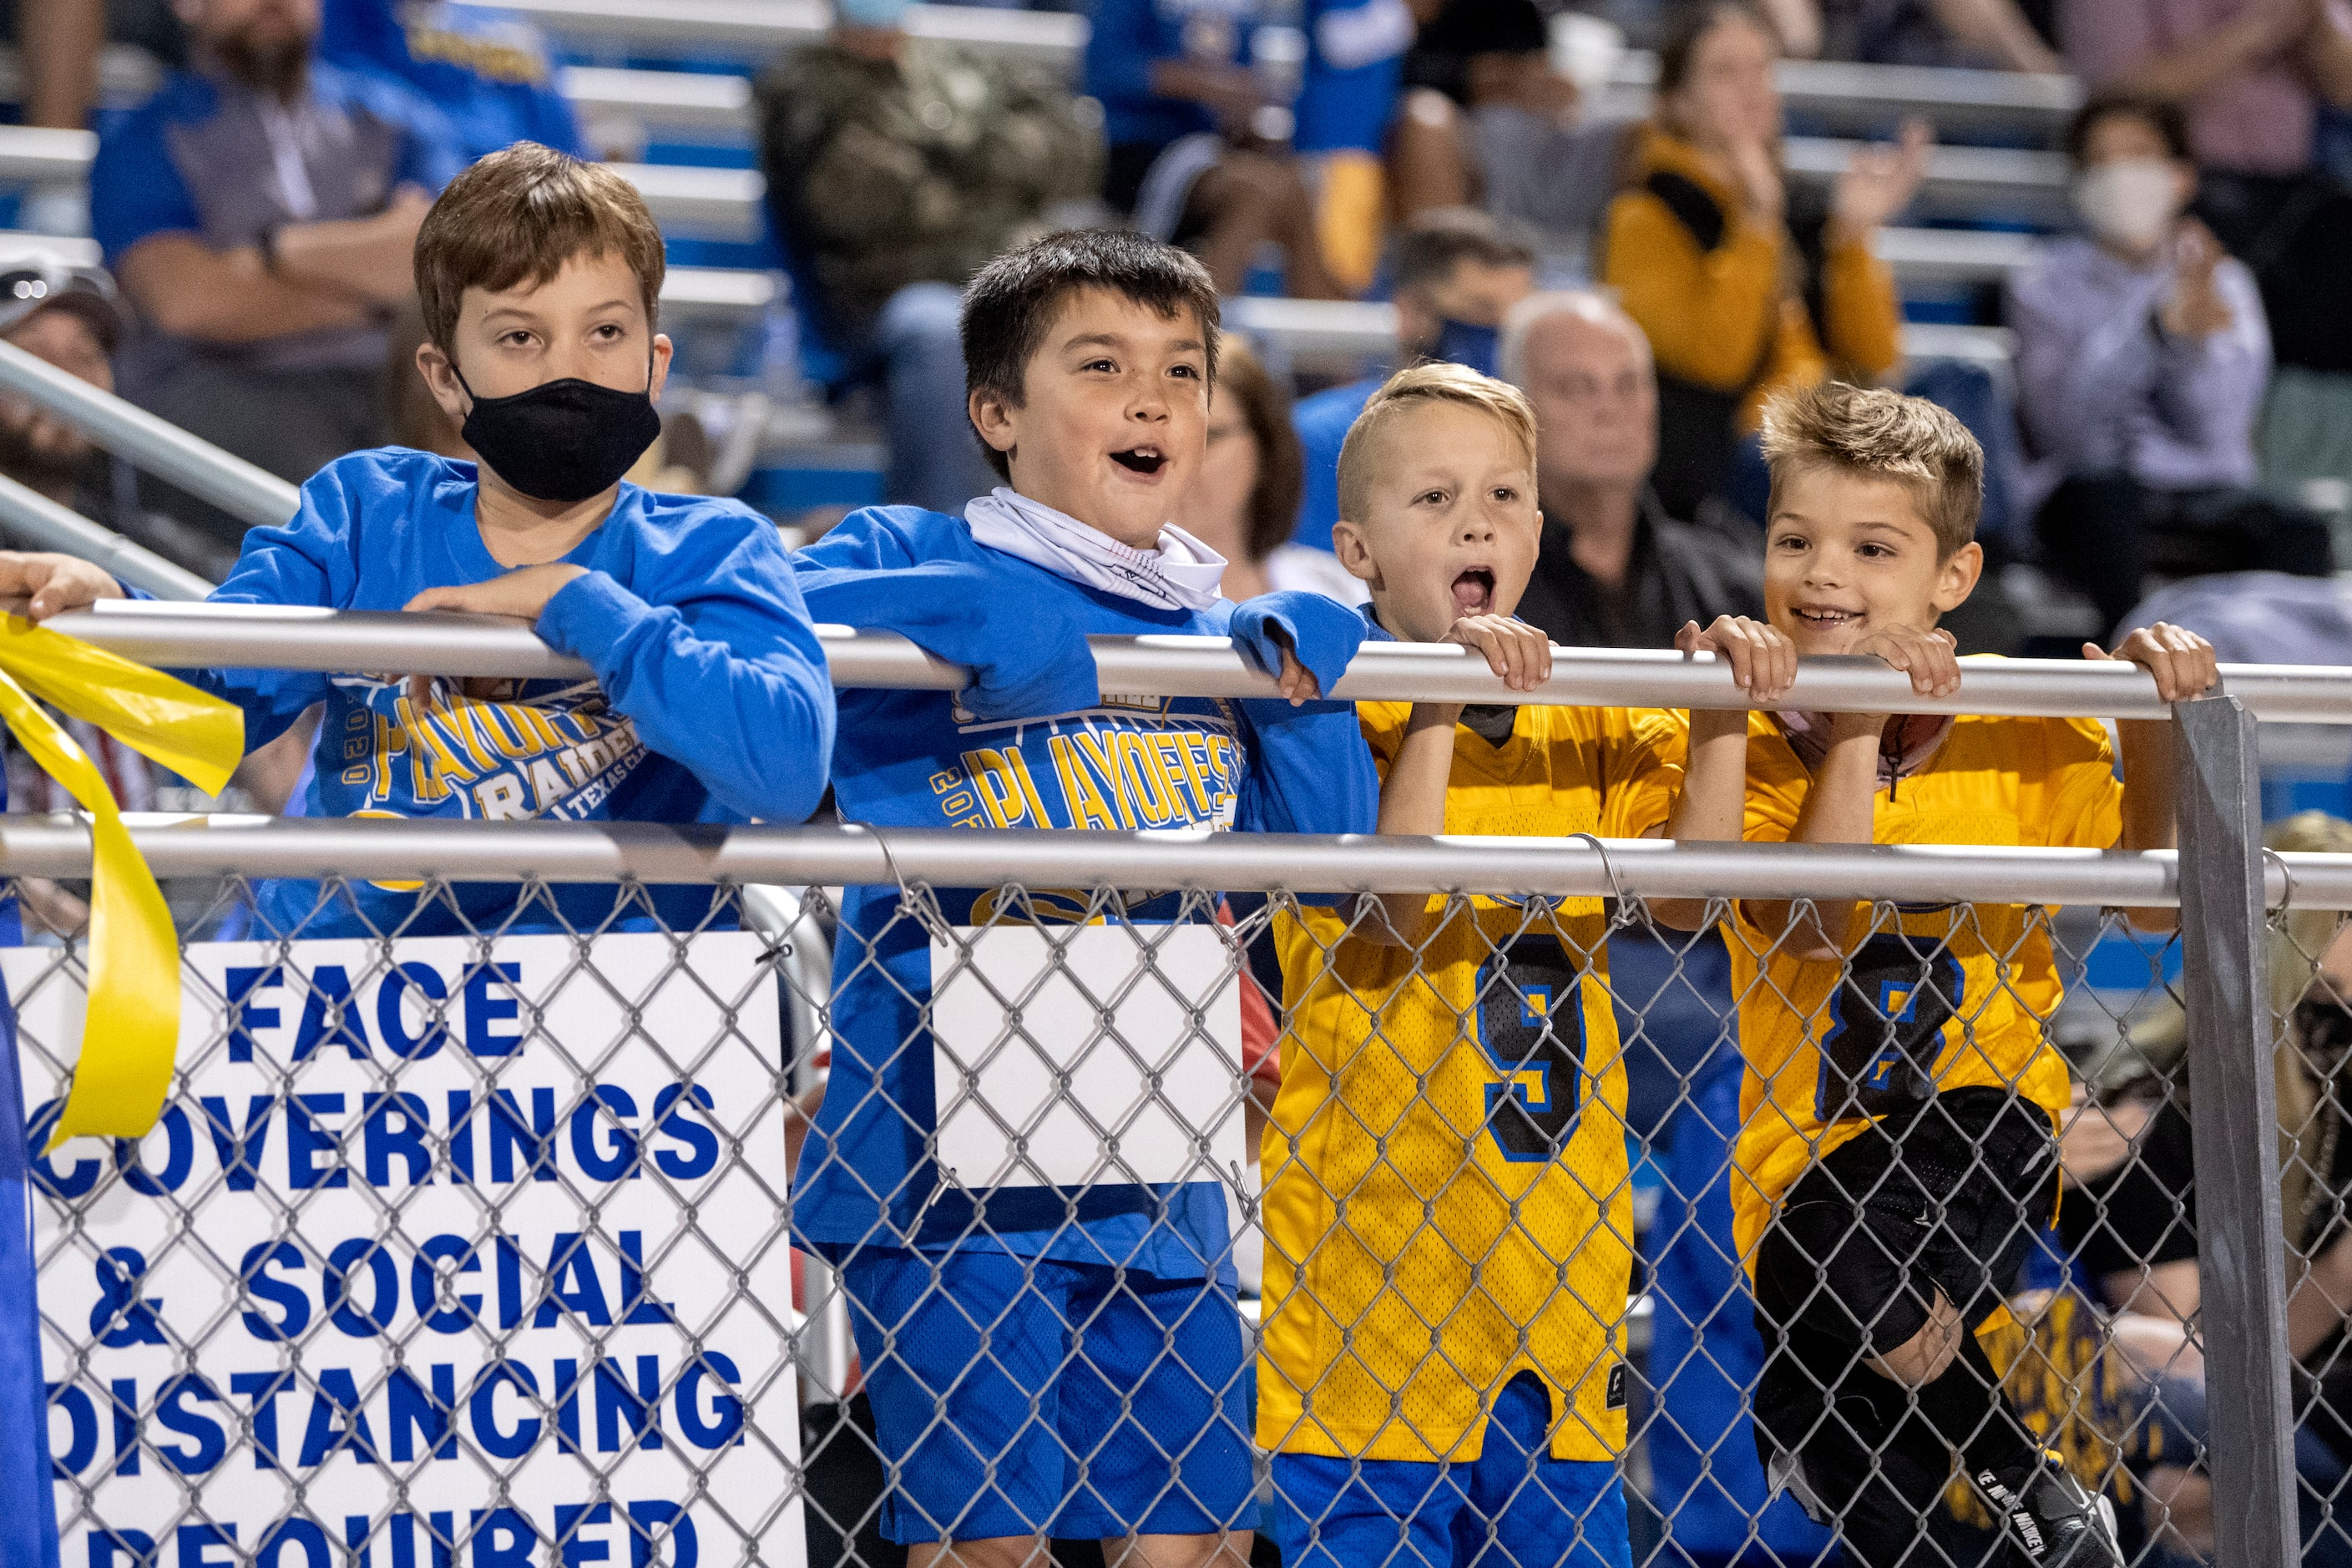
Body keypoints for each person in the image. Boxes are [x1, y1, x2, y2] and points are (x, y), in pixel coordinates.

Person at [788, 229, 1379, 1568]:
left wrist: (1301, 696)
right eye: (1102, 366)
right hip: (945, 1162)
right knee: (986, 1548)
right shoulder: (914, 544)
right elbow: (772, 609)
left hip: (1156, 1150)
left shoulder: (1209, 626)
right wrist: (964, 611)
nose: (1153, 398)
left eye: (1183, 370)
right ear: (995, 412)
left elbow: (1335, 867)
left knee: (1203, 1542)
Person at [0, 144, 837, 941]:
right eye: (520, 338)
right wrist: (108, 612)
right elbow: (219, 697)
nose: (567, 371)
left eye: (604, 333)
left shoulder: (716, 547)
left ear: (656, 365)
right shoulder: (366, 511)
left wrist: (576, 604)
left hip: (621, 1014)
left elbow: (787, 770)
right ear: (445, 379)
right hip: (350, 990)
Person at [1661, 380, 2218, 1565]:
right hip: (1802, 1179)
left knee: (1917, 1184)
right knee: (1868, 1480)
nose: (1824, 577)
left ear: (1951, 581)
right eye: (1794, 540)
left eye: (1873, 548)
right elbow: (1812, 924)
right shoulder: (1745, 743)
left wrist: (2151, 713)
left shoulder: (2023, 728)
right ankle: (2000, 1470)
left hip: (1985, 1147)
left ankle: (1984, 1440)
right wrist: (1856, 723)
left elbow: (2141, 888)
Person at [1259, 360, 1692, 1568]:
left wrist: (1719, 711)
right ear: (1354, 545)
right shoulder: (1321, 704)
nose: (1474, 521)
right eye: (1435, 497)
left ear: (1540, 531)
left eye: (1505, 496)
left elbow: (1696, 891)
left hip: (1555, 1276)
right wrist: (1441, 698)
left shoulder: (1593, 711)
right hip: (1371, 1285)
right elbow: (1390, 906)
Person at [89, 0, 467, 514]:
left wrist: (276, 253)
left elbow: (453, 260)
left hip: (396, 382)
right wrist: (379, 281)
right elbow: (191, 304)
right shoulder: (141, 138)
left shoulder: (395, 116)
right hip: (233, 393)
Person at [756, 0, 1101, 516]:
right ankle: (934, 540)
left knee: (1102, 313)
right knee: (937, 326)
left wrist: (948, 165)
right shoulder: (801, 88)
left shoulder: (960, 65)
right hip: (878, 309)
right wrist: (985, 169)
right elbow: (855, 207)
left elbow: (1076, 157)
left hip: (1006, 285)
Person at [2009, 92, 2328, 636]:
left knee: (2297, 529)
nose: (2117, 175)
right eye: (2098, 162)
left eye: (2136, 156)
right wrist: (2152, 330)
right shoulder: (2044, 281)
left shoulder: (2224, 281)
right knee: (2100, 501)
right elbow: (2070, 433)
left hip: (2204, 493)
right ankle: (2131, 666)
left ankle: (2290, 686)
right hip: (2090, 497)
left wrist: (2190, 349)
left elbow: (2220, 432)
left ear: (2180, 177)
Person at [1602, 0, 1926, 522]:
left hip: (1827, 424)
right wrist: (1753, 223)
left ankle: (1988, 582)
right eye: (1725, 72)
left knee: (1961, 390)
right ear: (1677, 102)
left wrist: (1851, 237)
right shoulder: (1643, 217)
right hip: (1735, 453)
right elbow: (1713, 364)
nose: (1752, 88)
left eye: (1761, 70)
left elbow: (1876, 358)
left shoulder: (1796, 205)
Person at [1501, 291, 1765, 647]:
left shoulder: (1733, 585)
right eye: (1577, 388)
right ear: (1516, 411)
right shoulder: (1483, 593)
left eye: (1628, 385)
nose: (1608, 409)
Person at [1292, 207, 1537, 552]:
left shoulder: (1539, 443)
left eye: (1519, 321)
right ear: (1410, 312)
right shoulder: (1318, 442)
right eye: (1481, 311)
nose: (1500, 338)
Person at [1084, 0, 1343, 297]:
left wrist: (1247, 113)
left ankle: (1319, 336)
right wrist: (1208, 86)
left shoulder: (1243, 8)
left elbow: (1239, 84)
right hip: (1141, 149)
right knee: (1251, 194)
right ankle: (1207, 331)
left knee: (1295, 186)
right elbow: (1108, 69)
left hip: (1215, 153)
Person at [1388, 0, 1630, 250]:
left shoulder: (1515, 10)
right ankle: (1442, 268)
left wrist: (1548, 88)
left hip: (1521, 135)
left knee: (1634, 135)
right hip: (1444, 131)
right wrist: (1466, 78)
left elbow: (1533, 64)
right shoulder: (1380, 13)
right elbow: (1378, 74)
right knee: (1426, 117)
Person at [1168, 339, 1367, 604]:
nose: (1177, 459)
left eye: (1207, 437)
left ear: (1265, 446)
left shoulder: (1336, 593)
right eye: (1158, 441)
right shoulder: (1107, 610)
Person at [317, 0, 589, 161]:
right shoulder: (342, 13)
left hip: (526, 207)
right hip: (420, 201)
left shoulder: (519, 33)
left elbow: (569, 152)